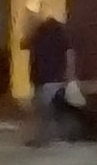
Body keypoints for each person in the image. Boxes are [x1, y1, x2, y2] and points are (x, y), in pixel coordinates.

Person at [23, 10, 71, 143]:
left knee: (44, 109)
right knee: (54, 108)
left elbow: (25, 44)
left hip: (44, 77)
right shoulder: (61, 33)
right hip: (56, 76)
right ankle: (57, 135)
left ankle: (42, 137)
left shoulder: (39, 35)